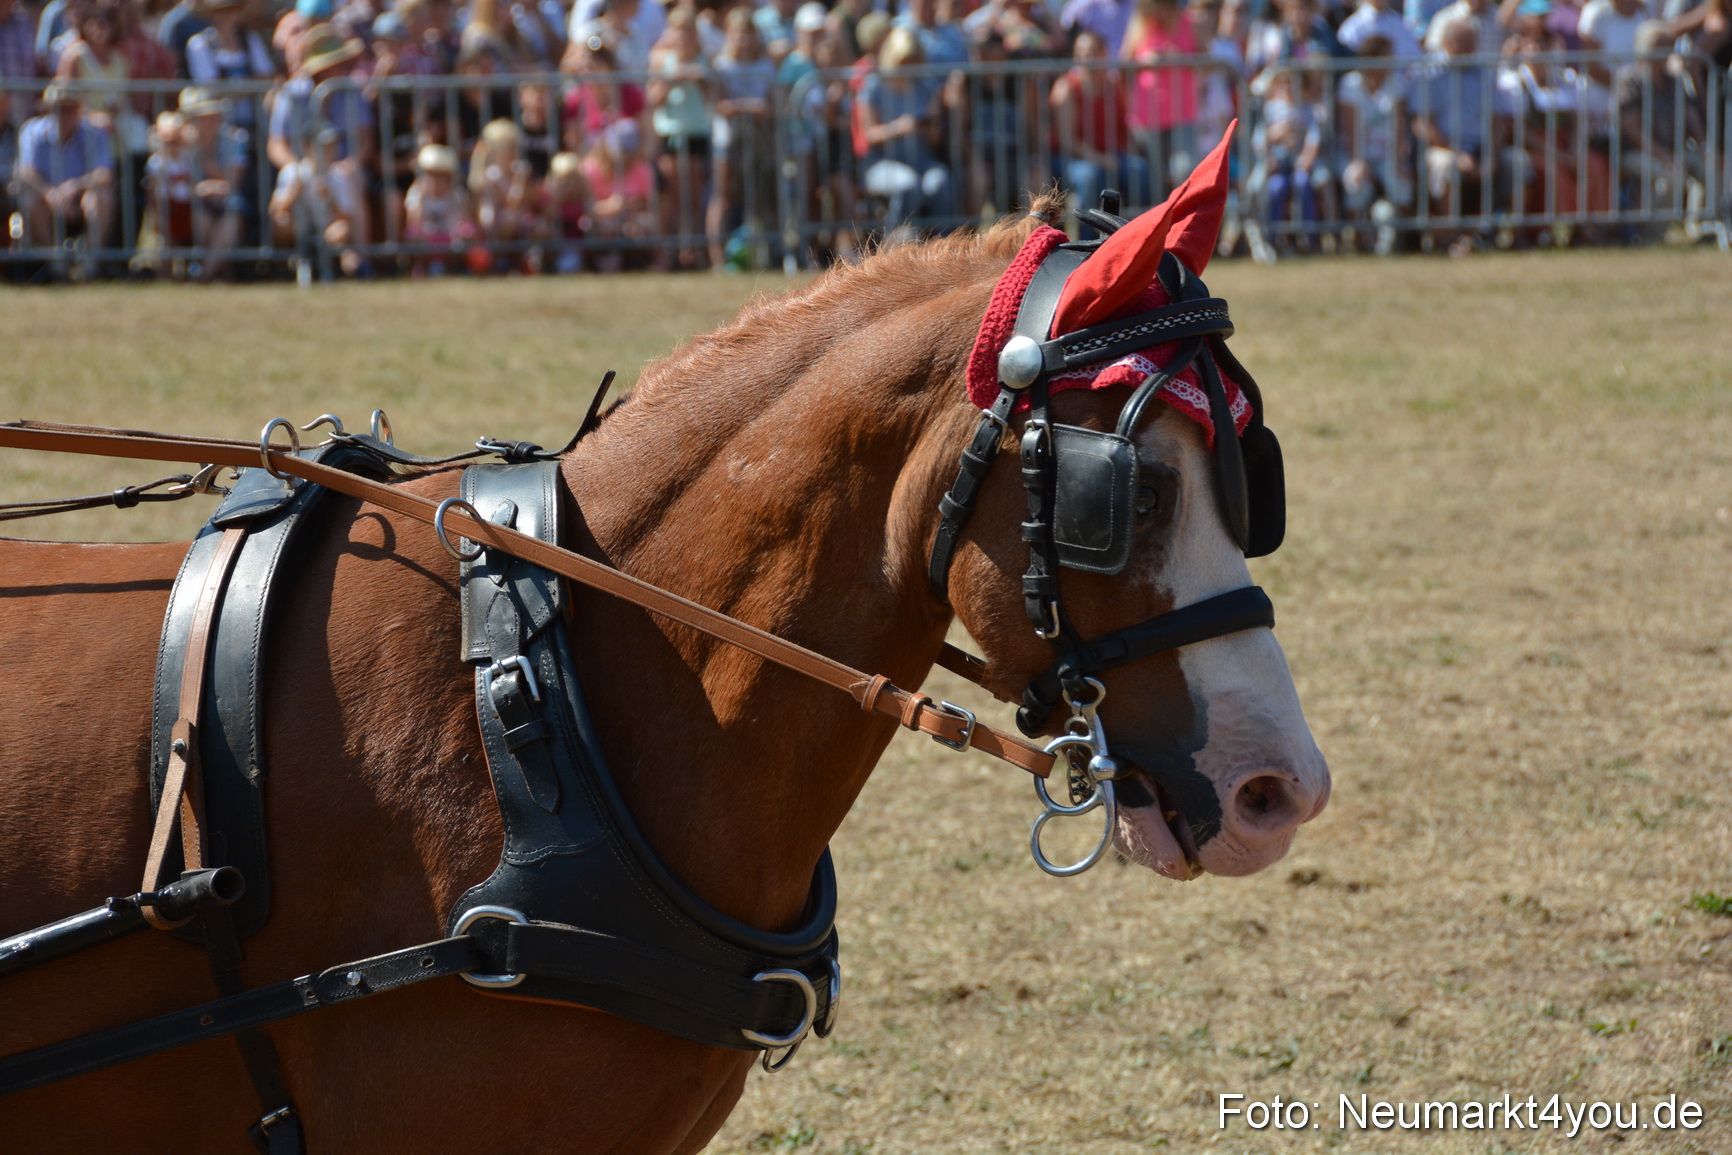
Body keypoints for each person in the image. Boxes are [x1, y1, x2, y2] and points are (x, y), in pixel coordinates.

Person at [857, 26, 953, 234]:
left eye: (913, 61)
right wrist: (899, 128)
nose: (909, 67)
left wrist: (931, 125)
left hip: (922, 161)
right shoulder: (874, 87)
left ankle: (942, 250)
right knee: (907, 184)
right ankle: (893, 250)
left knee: (940, 182)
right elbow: (869, 134)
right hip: (883, 163)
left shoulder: (926, 87)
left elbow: (936, 140)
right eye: (904, 61)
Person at [1052, 28, 1149, 216]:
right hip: (1074, 158)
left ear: (1105, 53)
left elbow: (1125, 123)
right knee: (1090, 177)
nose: (1087, 57)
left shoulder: (1113, 85)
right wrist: (1099, 159)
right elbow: (1066, 140)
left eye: (1093, 51)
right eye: (1082, 52)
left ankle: (1138, 235)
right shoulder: (1066, 88)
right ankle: (1087, 242)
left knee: (1140, 171)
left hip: (1111, 155)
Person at [709, 6, 775, 266]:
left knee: (762, 198)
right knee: (723, 196)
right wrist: (749, 107)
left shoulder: (765, 65)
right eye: (738, 33)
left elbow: (770, 106)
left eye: (748, 33)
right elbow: (720, 105)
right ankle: (716, 258)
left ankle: (765, 256)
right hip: (727, 141)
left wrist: (743, 107)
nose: (744, 39)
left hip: (759, 144)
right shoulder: (720, 66)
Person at [16, 85, 116, 256]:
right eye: (60, 109)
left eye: (71, 109)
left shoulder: (94, 133)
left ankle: (90, 262)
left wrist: (74, 187)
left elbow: (104, 174)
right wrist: (51, 194)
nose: (65, 114)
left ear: (79, 110)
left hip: (79, 198)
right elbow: (25, 171)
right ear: (48, 110)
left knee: (101, 198)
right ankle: (56, 264)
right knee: (31, 201)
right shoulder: (32, 131)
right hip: (46, 197)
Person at [1335, 33, 1412, 250]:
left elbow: (1399, 124)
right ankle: (1358, 243)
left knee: (1400, 182)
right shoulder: (1350, 84)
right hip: (1356, 152)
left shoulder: (1396, 82)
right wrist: (1358, 161)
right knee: (1355, 184)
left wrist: (1397, 161)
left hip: (1388, 152)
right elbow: (1349, 129)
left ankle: (1401, 242)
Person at [648, 7, 712, 267]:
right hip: (671, 134)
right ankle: (669, 255)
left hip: (695, 133)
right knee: (672, 199)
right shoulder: (662, 61)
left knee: (694, 199)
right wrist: (670, 79)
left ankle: (695, 254)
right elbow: (652, 98)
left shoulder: (703, 60)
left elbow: (712, 96)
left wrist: (698, 78)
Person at [1123, 0, 1200, 199]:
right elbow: (1123, 63)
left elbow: (1207, 62)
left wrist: (1180, 59)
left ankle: (1183, 223)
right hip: (1147, 116)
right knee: (1154, 181)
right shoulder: (1140, 24)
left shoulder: (1189, 22)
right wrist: (1145, 61)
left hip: (1183, 113)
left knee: (1184, 169)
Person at [403, 141, 476, 274]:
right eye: (431, 175)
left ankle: (460, 267)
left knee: (469, 231)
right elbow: (412, 222)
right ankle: (419, 267)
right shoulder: (417, 193)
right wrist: (421, 199)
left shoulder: (457, 194)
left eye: (441, 175)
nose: (436, 180)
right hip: (427, 239)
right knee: (413, 234)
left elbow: (462, 220)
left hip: (449, 239)